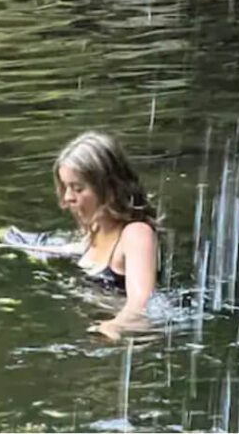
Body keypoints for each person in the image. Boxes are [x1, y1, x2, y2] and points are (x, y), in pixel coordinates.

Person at [53, 130, 160, 340]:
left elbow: (142, 304)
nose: (67, 198)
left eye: (77, 189)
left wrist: (113, 327)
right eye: (65, 187)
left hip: (128, 343)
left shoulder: (136, 235)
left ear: (109, 190)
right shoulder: (93, 229)